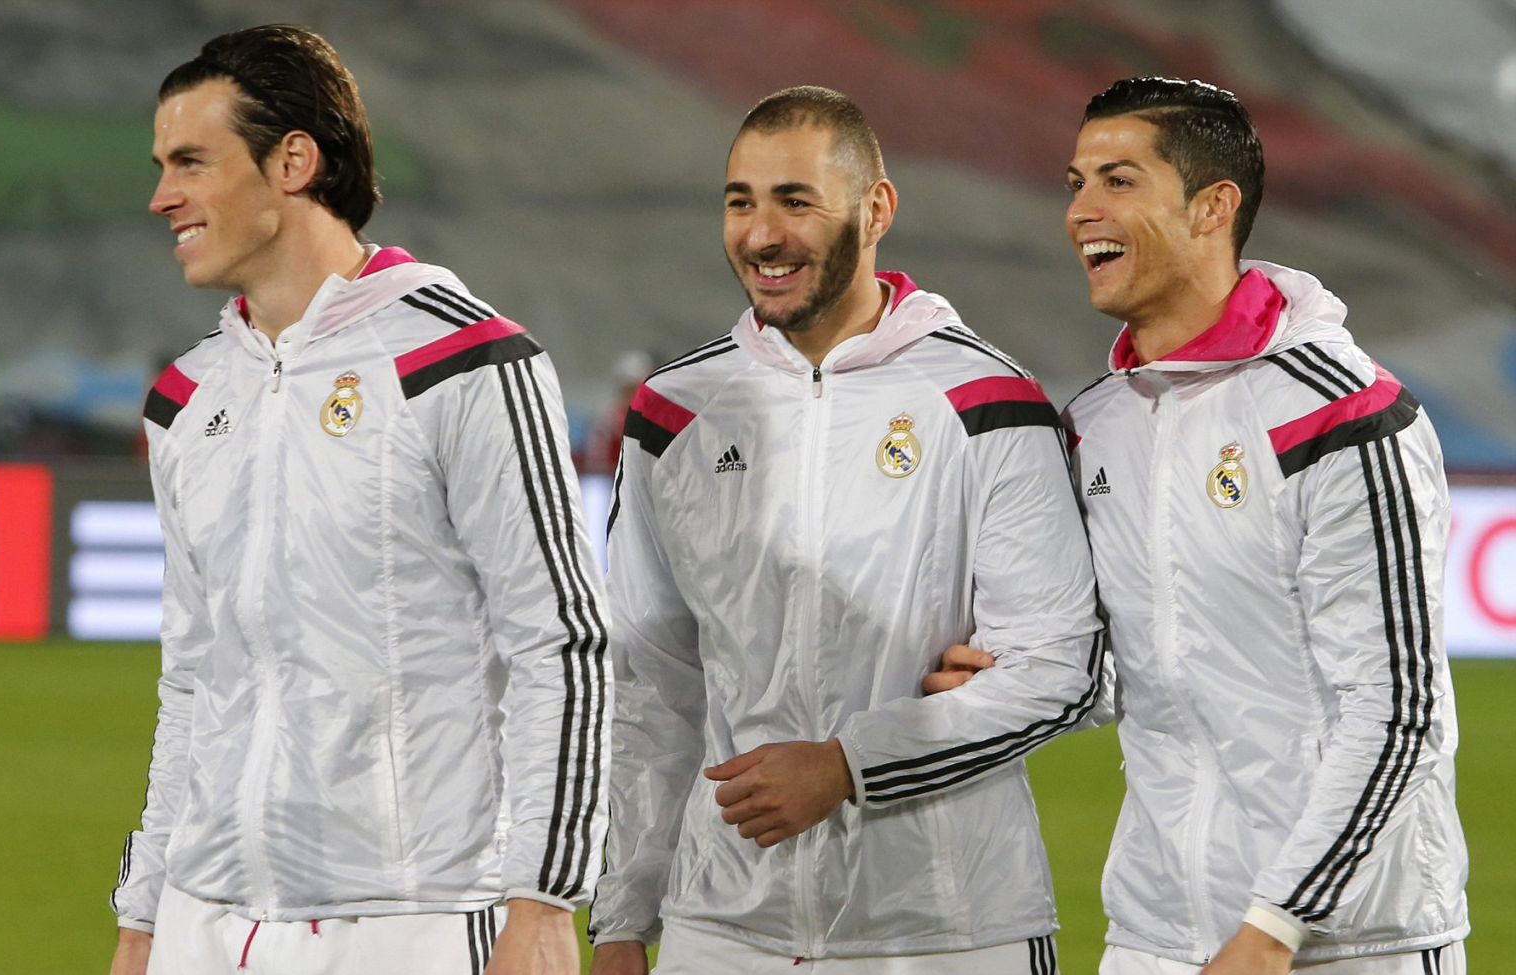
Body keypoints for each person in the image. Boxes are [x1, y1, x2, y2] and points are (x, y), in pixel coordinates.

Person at [938, 76, 1469, 974]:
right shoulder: (1097, 422)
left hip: (1343, 942)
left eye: (1118, 179)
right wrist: (1020, 674)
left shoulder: (1345, 418)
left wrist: (1276, 927)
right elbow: (1142, 663)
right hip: (1159, 935)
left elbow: (1399, 709)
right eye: (1075, 183)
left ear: (1212, 206)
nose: (1081, 211)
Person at [109, 26, 609, 975]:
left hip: (405, 921)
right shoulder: (185, 397)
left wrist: (544, 902)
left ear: (293, 160)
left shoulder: (467, 363)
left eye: (190, 162)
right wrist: (143, 917)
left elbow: (563, 641)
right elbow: (193, 679)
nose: (161, 195)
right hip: (200, 919)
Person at [587, 86, 1104, 975]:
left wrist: (847, 765)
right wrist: (625, 916)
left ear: (876, 209)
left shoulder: (990, 403)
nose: (760, 234)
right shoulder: (673, 414)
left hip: (951, 931)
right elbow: (649, 682)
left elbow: (1060, 666)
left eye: (796, 200)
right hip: (722, 932)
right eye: (740, 201)